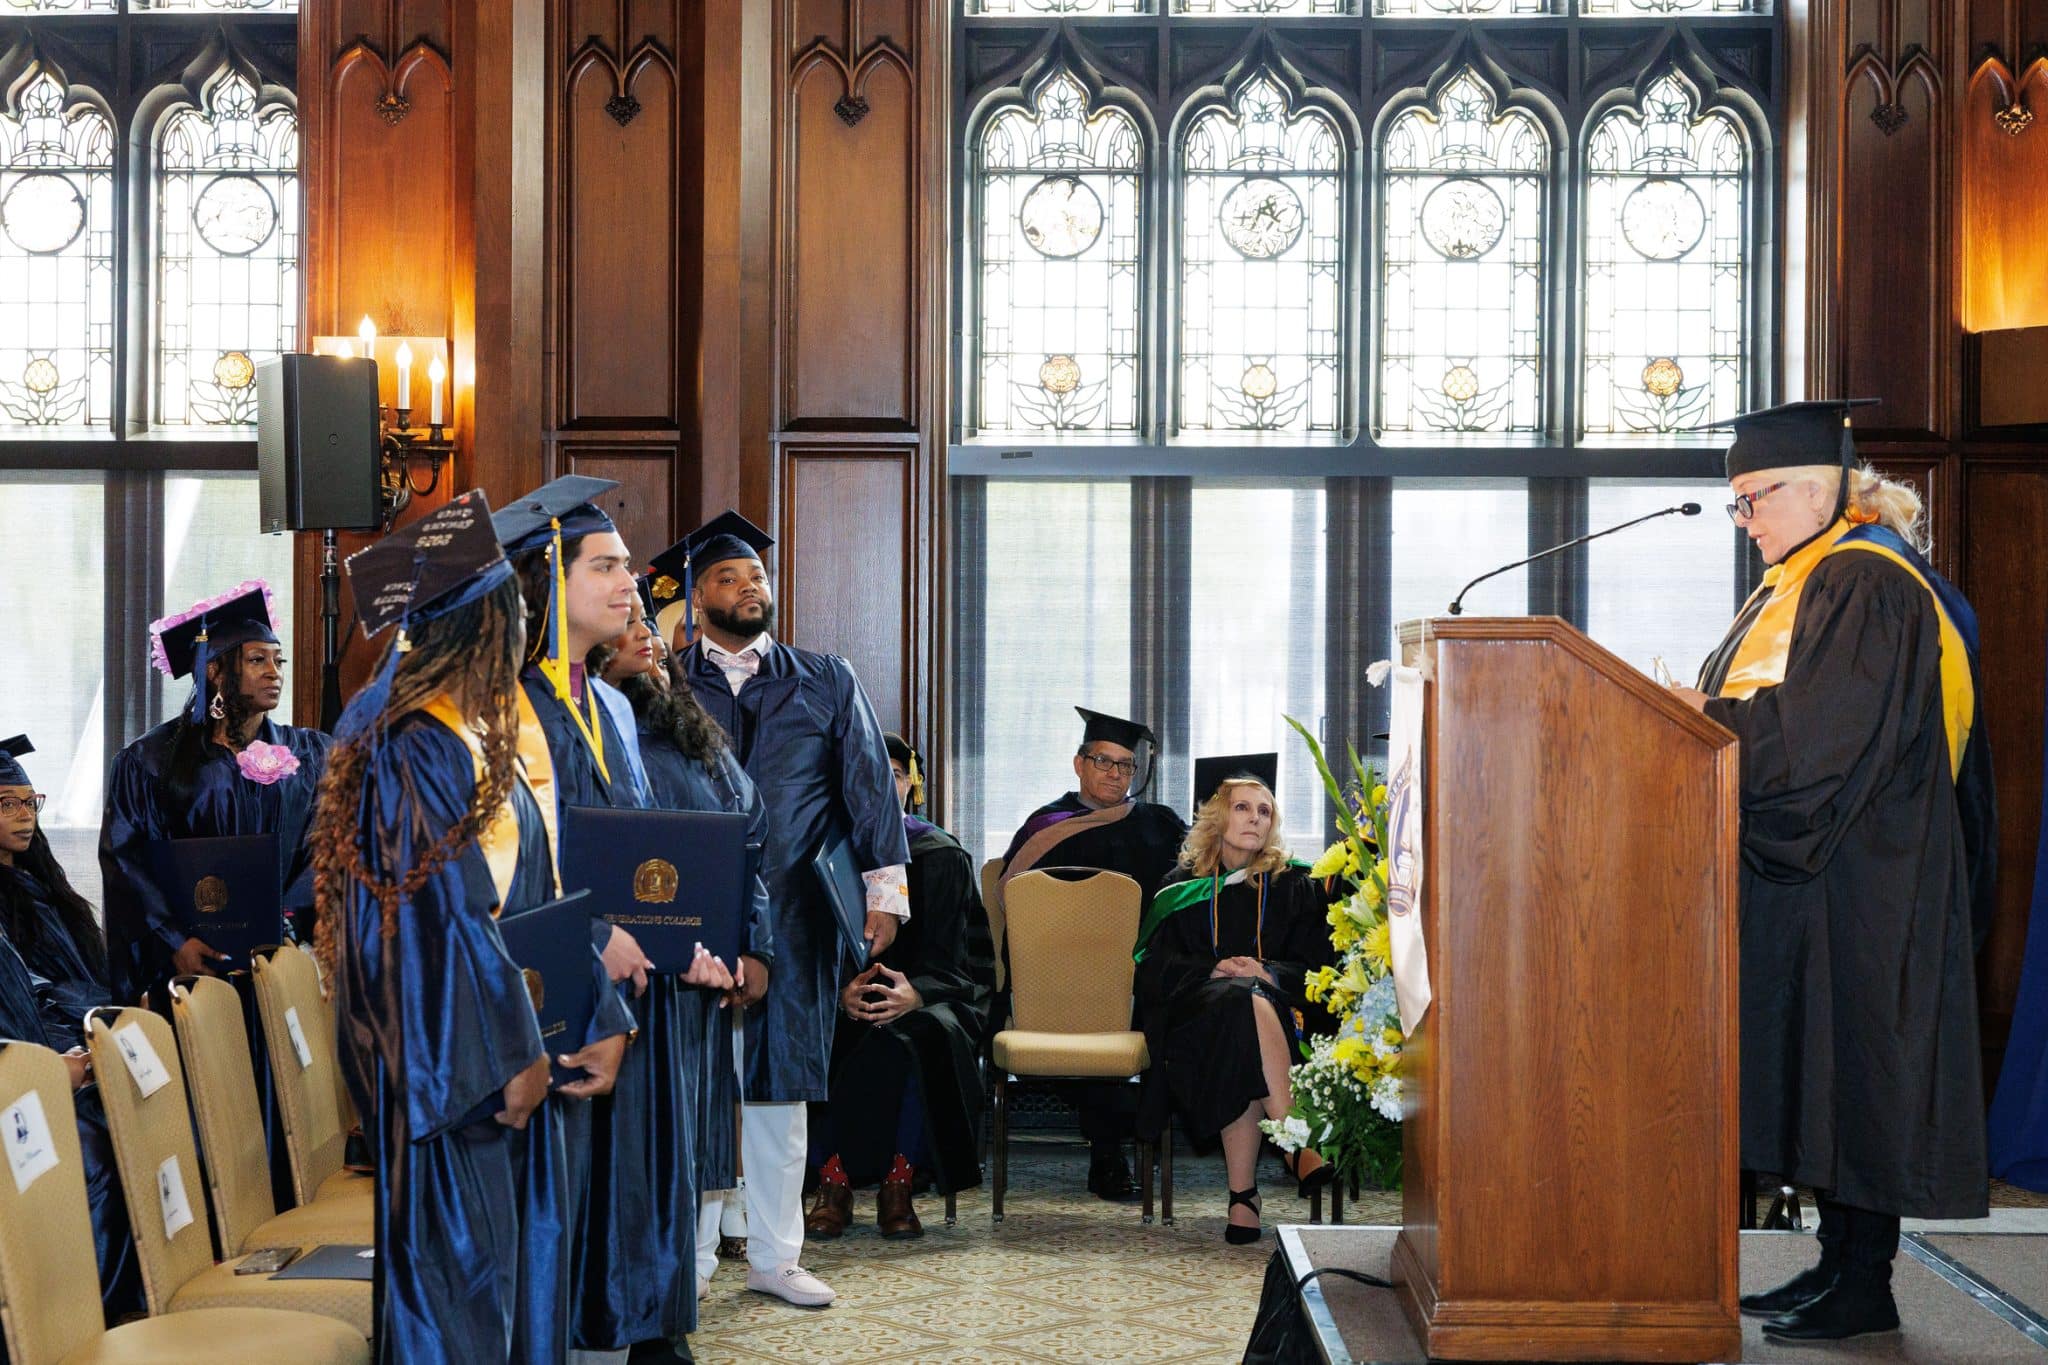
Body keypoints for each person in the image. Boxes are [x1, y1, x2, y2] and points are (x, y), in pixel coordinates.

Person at [1669, 400, 1996, 1343]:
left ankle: (1866, 1281)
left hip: (1867, 881)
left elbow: (1812, 742)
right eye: (1738, 504)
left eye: (1754, 499)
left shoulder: (1864, 582)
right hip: (1830, 875)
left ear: (1817, 490)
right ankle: (1835, 1263)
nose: (1747, 521)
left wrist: (1697, 721)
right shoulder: (1806, 577)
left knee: (1858, 1067)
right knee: (1829, 1071)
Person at [314, 492, 633, 1363]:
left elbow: (540, 896)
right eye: (516, 616)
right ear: (485, 626)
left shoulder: (484, 740)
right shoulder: (410, 745)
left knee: (520, 1301)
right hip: (460, 1085)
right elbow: (439, 925)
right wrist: (512, 1055)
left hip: (518, 1065)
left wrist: (597, 1012)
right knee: (462, 1307)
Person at [650, 509, 909, 1309]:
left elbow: (869, 787)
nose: (748, 587)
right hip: (691, 906)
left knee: (779, 1086)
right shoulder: (665, 682)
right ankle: (689, 1258)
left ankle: (774, 1253)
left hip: (795, 907)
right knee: (695, 1080)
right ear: (696, 599)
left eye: (757, 576)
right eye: (728, 578)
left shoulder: (825, 677)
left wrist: (885, 894)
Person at [496, 476, 701, 1365]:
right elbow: (517, 875)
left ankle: (628, 1330)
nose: (630, 584)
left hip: (618, 986)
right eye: (607, 566)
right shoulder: (512, 709)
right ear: (549, 579)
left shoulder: (597, 703)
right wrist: (593, 947)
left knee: (612, 1185)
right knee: (559, 1203)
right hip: (551, 989)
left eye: (628, 566)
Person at [593, 584, 755, 1342]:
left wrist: (746, 944)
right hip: (629, 987)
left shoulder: (690, 735)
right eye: (629, 626)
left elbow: (746, 844)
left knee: (680, 1161)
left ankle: (667, 1321)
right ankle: (639, 1323)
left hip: (693, 985)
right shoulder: (594, 737)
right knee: (635, 1167)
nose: (649, 638)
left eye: (652, 629)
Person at [99, 580, 330, 1003]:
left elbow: (327, 845)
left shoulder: (309, 755)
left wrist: (288, 924)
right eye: (258, 660)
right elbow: (125, 862)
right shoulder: (150, 762)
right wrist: (173, 942)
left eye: (279, 661)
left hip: (282, 960)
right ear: (215, 669)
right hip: (188, 968)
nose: (274, 673)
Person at [996, 706, 1189, 1201]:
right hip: (1058, 980)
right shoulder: (1047, 827)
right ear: (1079, 763)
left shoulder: (1162, 825)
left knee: (1172, 1009)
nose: (1115, 774)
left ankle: (1137, 1142)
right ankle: (1109, 1153)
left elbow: (1190, 892)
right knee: (1092, 1009)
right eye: (1103, 761)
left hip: (1142, 974)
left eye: (1125, 766)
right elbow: (1012, 901)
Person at [804, 733, 992, 1241]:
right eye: (870, 774)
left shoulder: (940, 854)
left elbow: (961, 961)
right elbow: (807, 943)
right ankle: (832, 1181)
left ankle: (899, 1183)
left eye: (895, 772)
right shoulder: (827, 853)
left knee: (920, 1035)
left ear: (913, 784)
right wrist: (839, 992)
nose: (884, 784)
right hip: (841, 990)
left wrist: (917, 994)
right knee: (819, 1026)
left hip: (933, 993)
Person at [1134, 772, 1334, 1246]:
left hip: (1281, 1019)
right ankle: (1294, 1140)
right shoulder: (1179, 889)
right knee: (1235, 1006)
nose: (1254, 818)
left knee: (1243, 1009)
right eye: (1244, 808)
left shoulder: (1293, 887)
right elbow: (1150, 971)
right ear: (1219, 817)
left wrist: (1270, 974)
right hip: (1193, 1019)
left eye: (1264, 811)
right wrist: (1210, 969)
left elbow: (1322, 969)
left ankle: (1243, 1198)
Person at [0, 734, 140, 1320]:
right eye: (7, 803)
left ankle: (147, 1292)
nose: (24, 815)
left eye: (30, 802)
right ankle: (81, 1320)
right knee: (96, 1139)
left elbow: (74, 982)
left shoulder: (46, 887)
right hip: (30, 1065)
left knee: (139, 1103)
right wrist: (62, 1058)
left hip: (61, 1046)